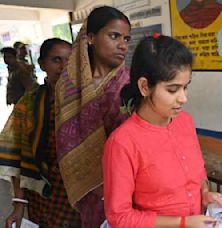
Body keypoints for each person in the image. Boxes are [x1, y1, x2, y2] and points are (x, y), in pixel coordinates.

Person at [103, 34, 222, 227]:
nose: (183, 98)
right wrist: (183, 222)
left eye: (186, 87)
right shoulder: (122, 143)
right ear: (144, 87)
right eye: (173, 89)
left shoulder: (184, 121)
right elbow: (119, 217)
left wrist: (204, 193)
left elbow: (198, 173)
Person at [55, 6, 132, 227]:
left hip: (126, 184)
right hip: (88, 186)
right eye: (114, 36)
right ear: (90, 38)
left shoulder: (131, 83)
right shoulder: (68, 86)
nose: (122, 45)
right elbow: (64, 138)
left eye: (126, 39)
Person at [0, 38, 80, 227]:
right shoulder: (28, 104)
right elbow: (15, 157)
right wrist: (19, 205)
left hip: (75, 198)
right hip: (40, 196)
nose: (64, 67)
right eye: (56, 60)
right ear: (42, 64)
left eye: (70, 60)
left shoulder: (86, 103)